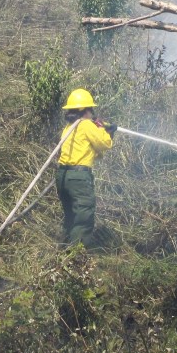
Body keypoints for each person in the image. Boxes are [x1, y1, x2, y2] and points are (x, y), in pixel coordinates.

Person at [56, 88, 116, 248]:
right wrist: (107, 131)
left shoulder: (68, 128)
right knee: (83, 216)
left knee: (71, 216)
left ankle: (62, 250)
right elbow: (104, 144)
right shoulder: (86, 125)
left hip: (63, 176)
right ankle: (77, 256)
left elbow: (90, 150)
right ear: (85, 110)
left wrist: (102, 128)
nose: (92, 113)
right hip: (79, 178)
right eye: (91, 110)